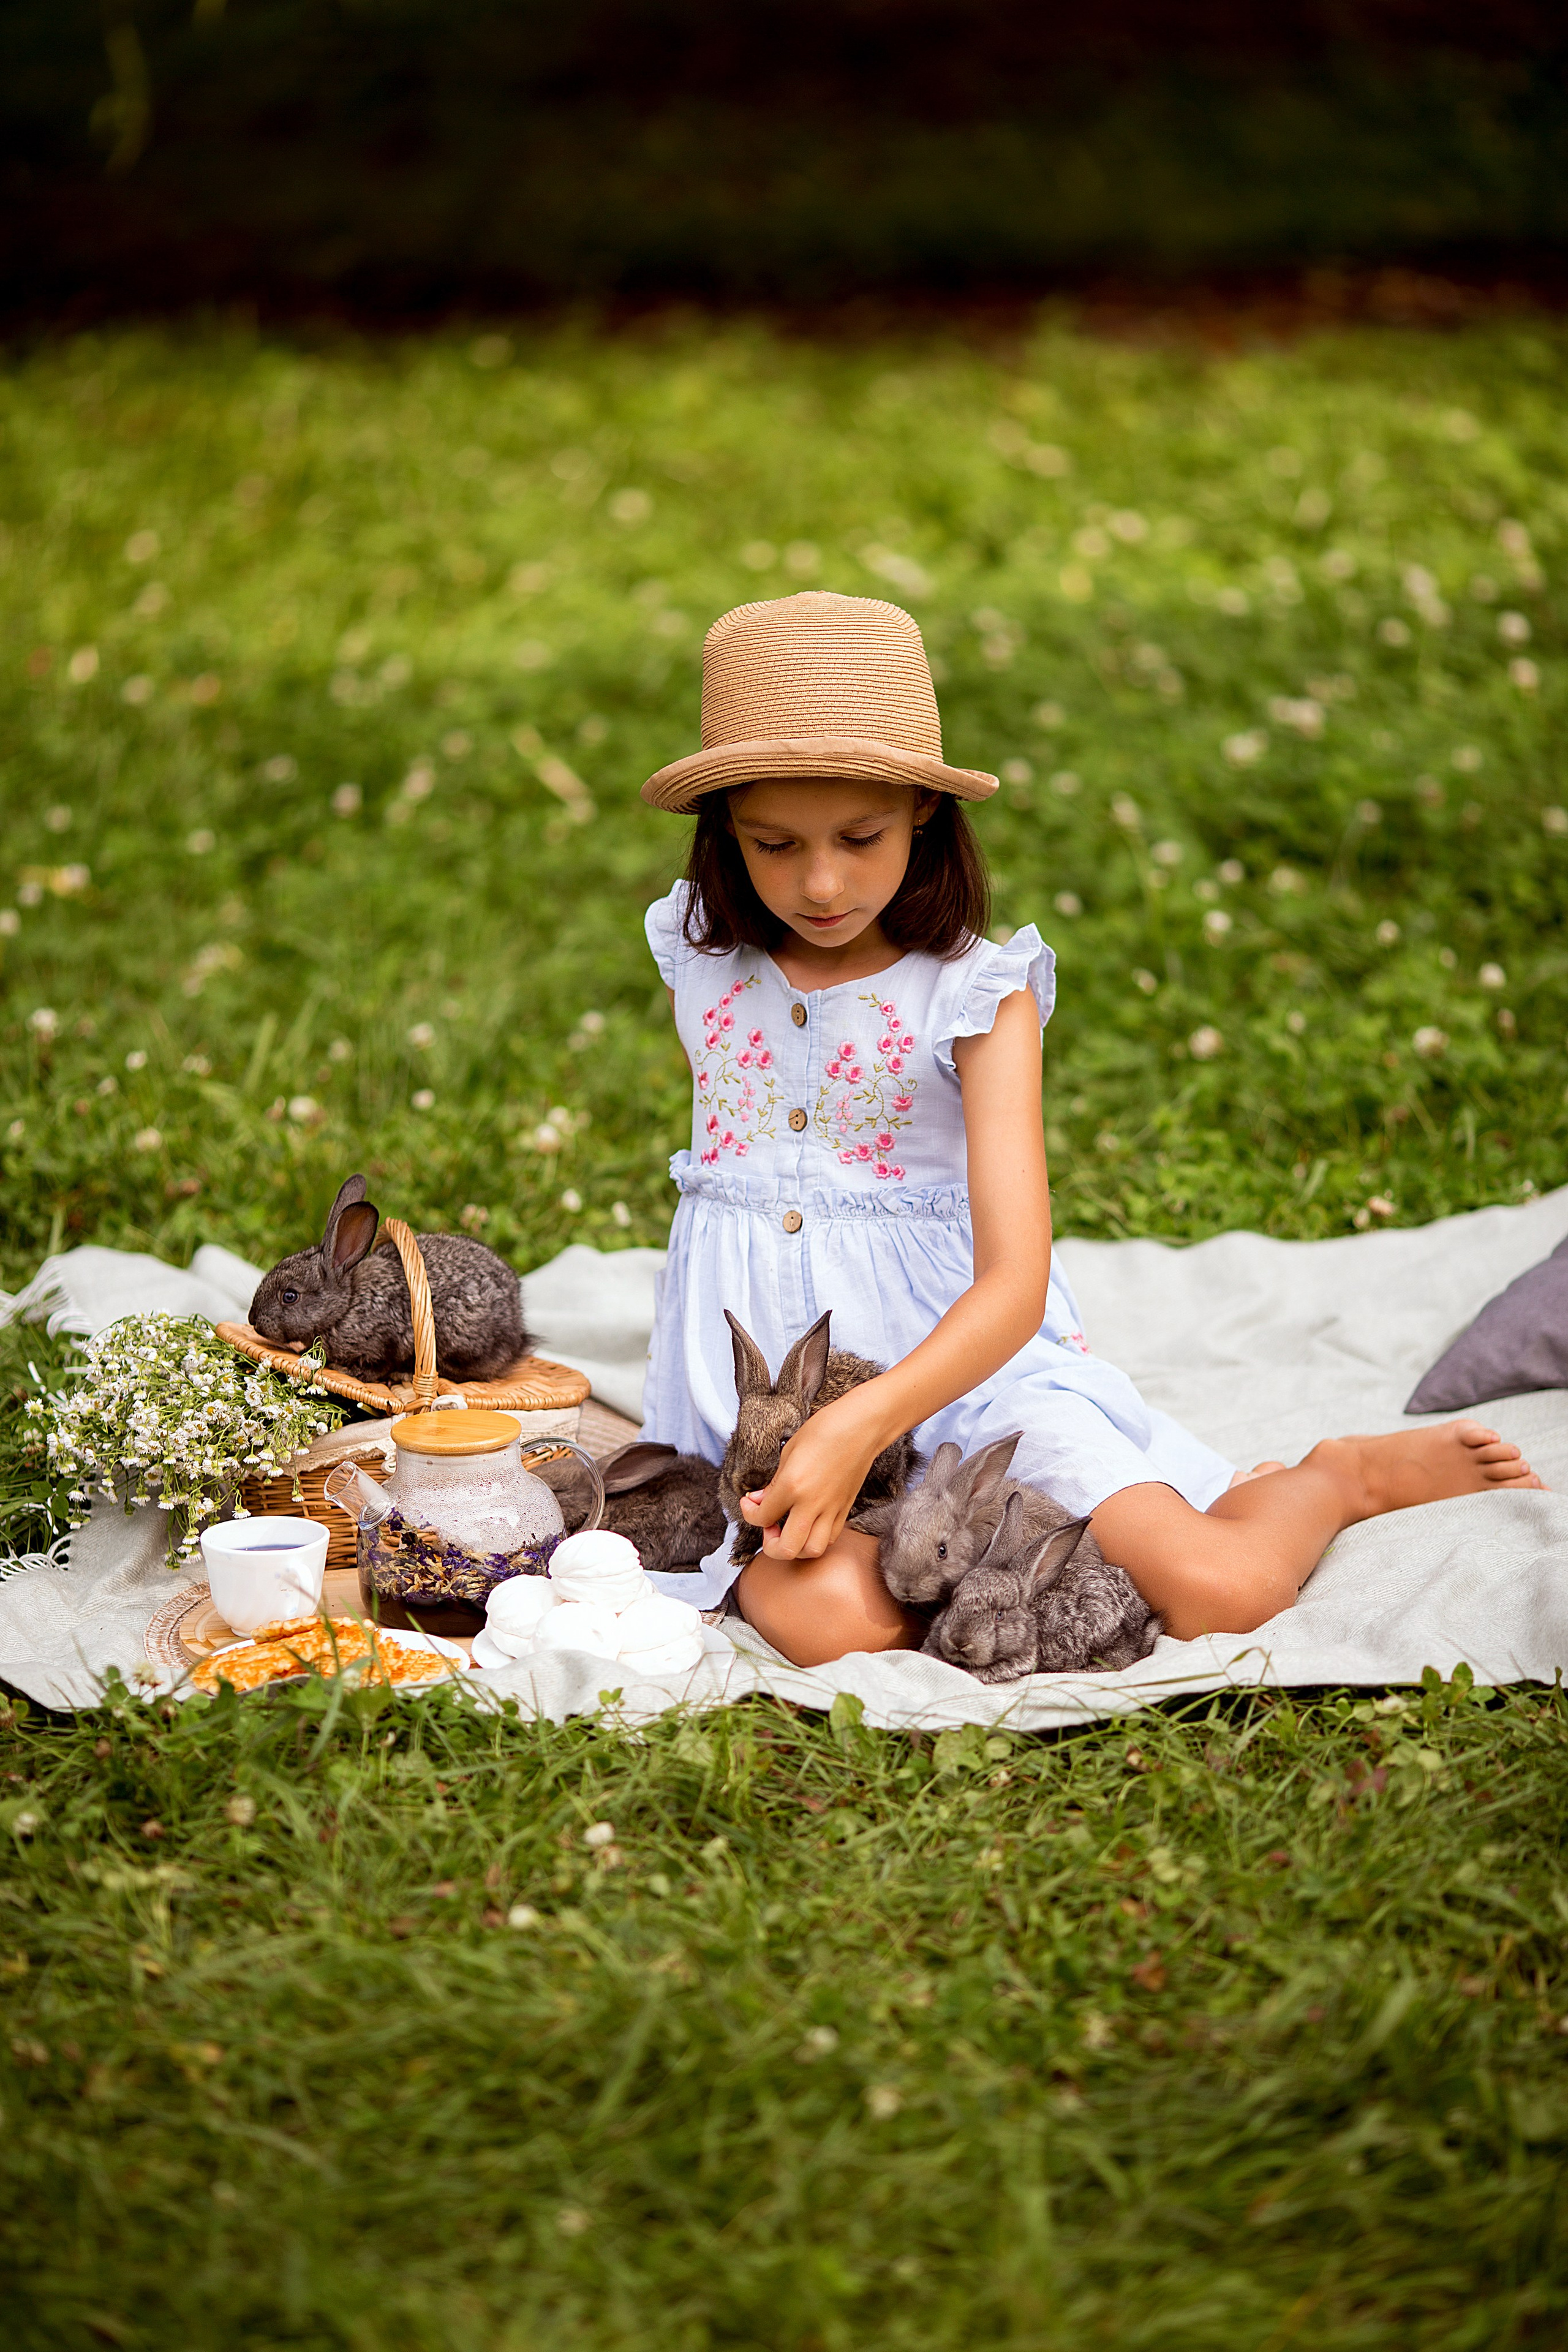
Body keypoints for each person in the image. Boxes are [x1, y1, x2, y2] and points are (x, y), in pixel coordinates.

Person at [635, 591, 1542, 1668]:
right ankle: (996, 1557)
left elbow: (1015, 1286)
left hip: (966, 1379)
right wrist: (816, 1433)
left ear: (924, 811)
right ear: (722, 830)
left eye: (860, 836)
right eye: (773, 843)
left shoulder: (977, 994)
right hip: (772, 1410)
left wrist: (865, 1421)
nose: (819, 882)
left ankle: (1335, 1477)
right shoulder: (701, 964)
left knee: (1229, 1589)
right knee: (820, 1623)